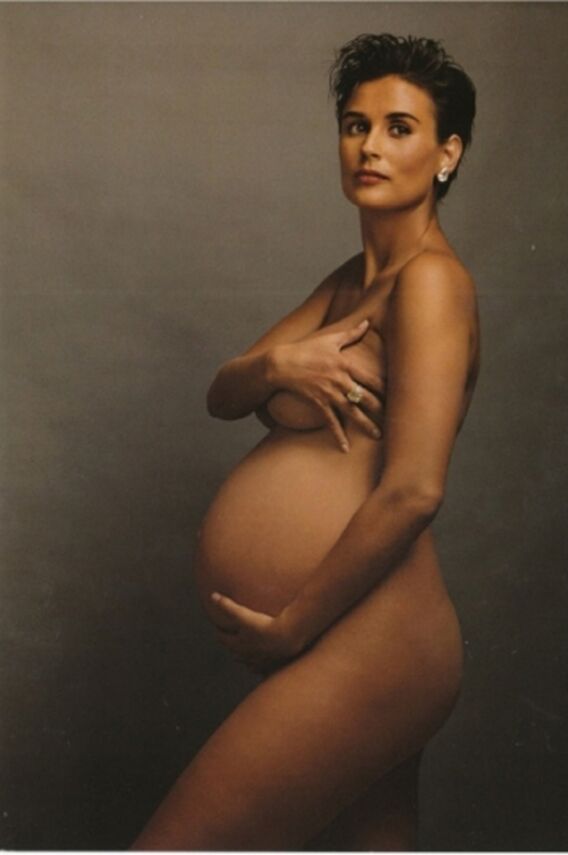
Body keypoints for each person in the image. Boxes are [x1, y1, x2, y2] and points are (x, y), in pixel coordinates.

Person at [132, 32, 479, 851]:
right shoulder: (351, 283)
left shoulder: (431, 283)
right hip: (353, 634)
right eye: (356, 125)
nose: (370, 146)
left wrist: (293, 626)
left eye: (399, 127)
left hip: (370, 641)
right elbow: (225, 393)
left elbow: (414, 490)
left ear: (447, 153)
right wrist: (283, 363)